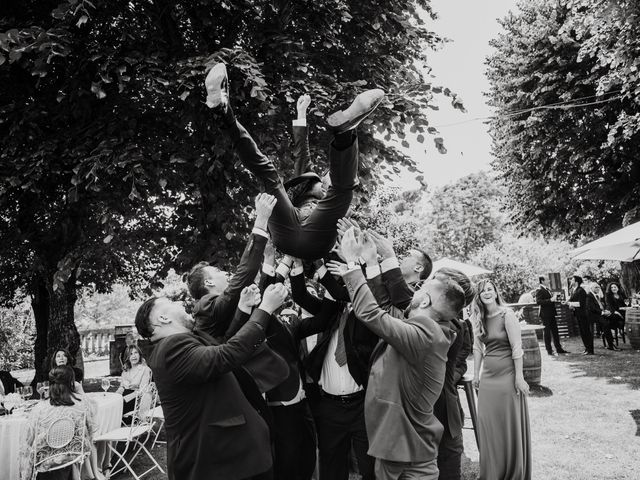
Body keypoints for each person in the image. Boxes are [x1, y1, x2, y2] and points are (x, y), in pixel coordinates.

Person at [205, 62, 385, 259]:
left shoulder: (332, 203)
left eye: (331, 179)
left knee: (343, 192)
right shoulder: (307, 185)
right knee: (268, 173)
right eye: (328, 178)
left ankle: (346, 133)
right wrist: (301, 113)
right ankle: (222, 109)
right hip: (291, 224)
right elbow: (303, 153)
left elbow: (307, 155)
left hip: (307, 240)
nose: (328, 181)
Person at [336, 227, 468, 480]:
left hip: (406, 452)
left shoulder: (426, 336)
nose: (415, 291)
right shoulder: (421, 328)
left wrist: (352, 264)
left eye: (422, 289)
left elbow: (373, 315)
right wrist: (373, 260)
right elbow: (384, 308)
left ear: (426, 301)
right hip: (399, 449)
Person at [134, 282, 289, 480]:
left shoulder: (181, 342)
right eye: (172, 302)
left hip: (234, 459)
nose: (181, 302)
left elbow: (220, 346)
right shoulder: (171, 347)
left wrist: (243, 308)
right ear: (163, 318)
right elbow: (225, 355)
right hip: (223, 464)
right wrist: (265, 309)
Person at [188, 192, 276, 339]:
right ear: (208, 282)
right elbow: (244, 274)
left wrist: (269, 259)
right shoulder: (204, 307)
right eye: (217, 271)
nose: (224, 273)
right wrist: (261, 218)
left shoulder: (225, 305)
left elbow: (262, 300)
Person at [472, 279, 531, 480]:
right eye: (483, 291)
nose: (487, 293)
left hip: (508, 375)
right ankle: (492, 472)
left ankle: (513, 471)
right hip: (488, 376)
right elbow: (477, 348)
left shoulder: (507, 314)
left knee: (508, 422)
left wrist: (519, 377)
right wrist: (475, 374)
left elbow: (517, 348)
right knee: (487, 422)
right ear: (478, 296)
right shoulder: (478, 317)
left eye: (490, 289)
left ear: (496, 292)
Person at [19, 366, 103, 480]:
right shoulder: (83, 404)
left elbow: (27, 443)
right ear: (72, 383)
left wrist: (25, 476)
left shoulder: (39, 409)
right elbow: (92, 429)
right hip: (73, 455)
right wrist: (80, 391)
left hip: (45, 461)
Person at [115, 345, 153, 419]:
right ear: (127, 357)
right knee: (111, 404)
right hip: (123, 397)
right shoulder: (126, 370)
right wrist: (117, 394)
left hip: (136, 400)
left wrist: (124, 399)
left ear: (139, 355)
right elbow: (122, 386)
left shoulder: (145, 369)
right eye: (131, 354)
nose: (134, 356)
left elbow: (142, 390)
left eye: (136, 353)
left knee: (116, 408)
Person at [535, 276, 568, 356]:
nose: (549, 281)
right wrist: (550, 300)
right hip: (545, 314)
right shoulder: (539, 290)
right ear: (542, 281)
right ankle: (549, 350)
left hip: (551, 313)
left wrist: (557, 298)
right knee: (547, 333)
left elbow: (551, 300)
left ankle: (559, 349)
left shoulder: (547, 289)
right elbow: (538, 301)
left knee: (555, 331)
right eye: (547, 279)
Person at [586, 283, 617, 351]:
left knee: (613, 317)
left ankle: (610, 339)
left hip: (599, 313)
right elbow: (591, 308)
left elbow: (600, 306)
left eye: (598, 287)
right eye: (596, 287)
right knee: (605, 324)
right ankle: (610, 344)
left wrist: (605, 311)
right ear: (591, 288)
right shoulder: (589, 296)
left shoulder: (597, 296)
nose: (598, 288)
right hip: (592, 315)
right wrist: (603, 313)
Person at [569, 275, 593, 355]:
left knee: (586, 331)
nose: (571, 281)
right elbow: (572, 300)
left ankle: (590, 349)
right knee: (582, 332)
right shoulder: (573, 290)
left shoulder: (581, 290)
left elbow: (580, 303)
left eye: (572, 280)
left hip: (583, 314)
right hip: (577, 314)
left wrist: (569, 303)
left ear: (576, 282)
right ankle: (586, 348)